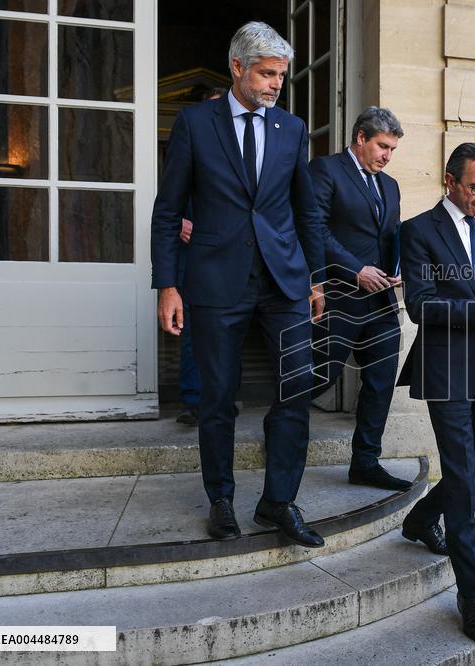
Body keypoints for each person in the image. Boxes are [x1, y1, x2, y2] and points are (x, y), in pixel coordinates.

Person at [151, 22, 326, 548]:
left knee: (297, 388)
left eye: (280, 75)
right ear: (237, 68)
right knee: (218, 397)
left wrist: (316, 280)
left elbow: (307, 211)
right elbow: (167, 211)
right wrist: (168, 285)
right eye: (267, 73)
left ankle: (278, 502)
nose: (276, 84)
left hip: (284, 282)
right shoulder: (195, 123)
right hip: (215, 281)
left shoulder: (291, 130)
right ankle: (221, 500)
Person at [396, 143, 475, 645]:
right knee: (461, 474)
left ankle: (421, 518)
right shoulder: (417, 231)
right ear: (449, 181)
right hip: (445, 370)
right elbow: (421, 307)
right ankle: (472, 598)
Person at [309, 107, 411, 492]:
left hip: (382, 302)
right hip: (338, 298)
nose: (387, 155)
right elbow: (315, 230)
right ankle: (281, 430)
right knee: (318, 376)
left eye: (393, 149)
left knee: (381, 382)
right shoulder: (326, 171)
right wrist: (356, 270)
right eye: (383, 146)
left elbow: (392, 236)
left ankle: (365, 462)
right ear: (361, 139)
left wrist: (401, 267)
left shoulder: (391, 186)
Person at [175, 86, 227, 427]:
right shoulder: (190, 149)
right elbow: (168, 198)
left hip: (229, 258)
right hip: (192, 257)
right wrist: (179, 220)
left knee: (226, 333)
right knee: (193, 330)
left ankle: (222, 397)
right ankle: (194, 400)